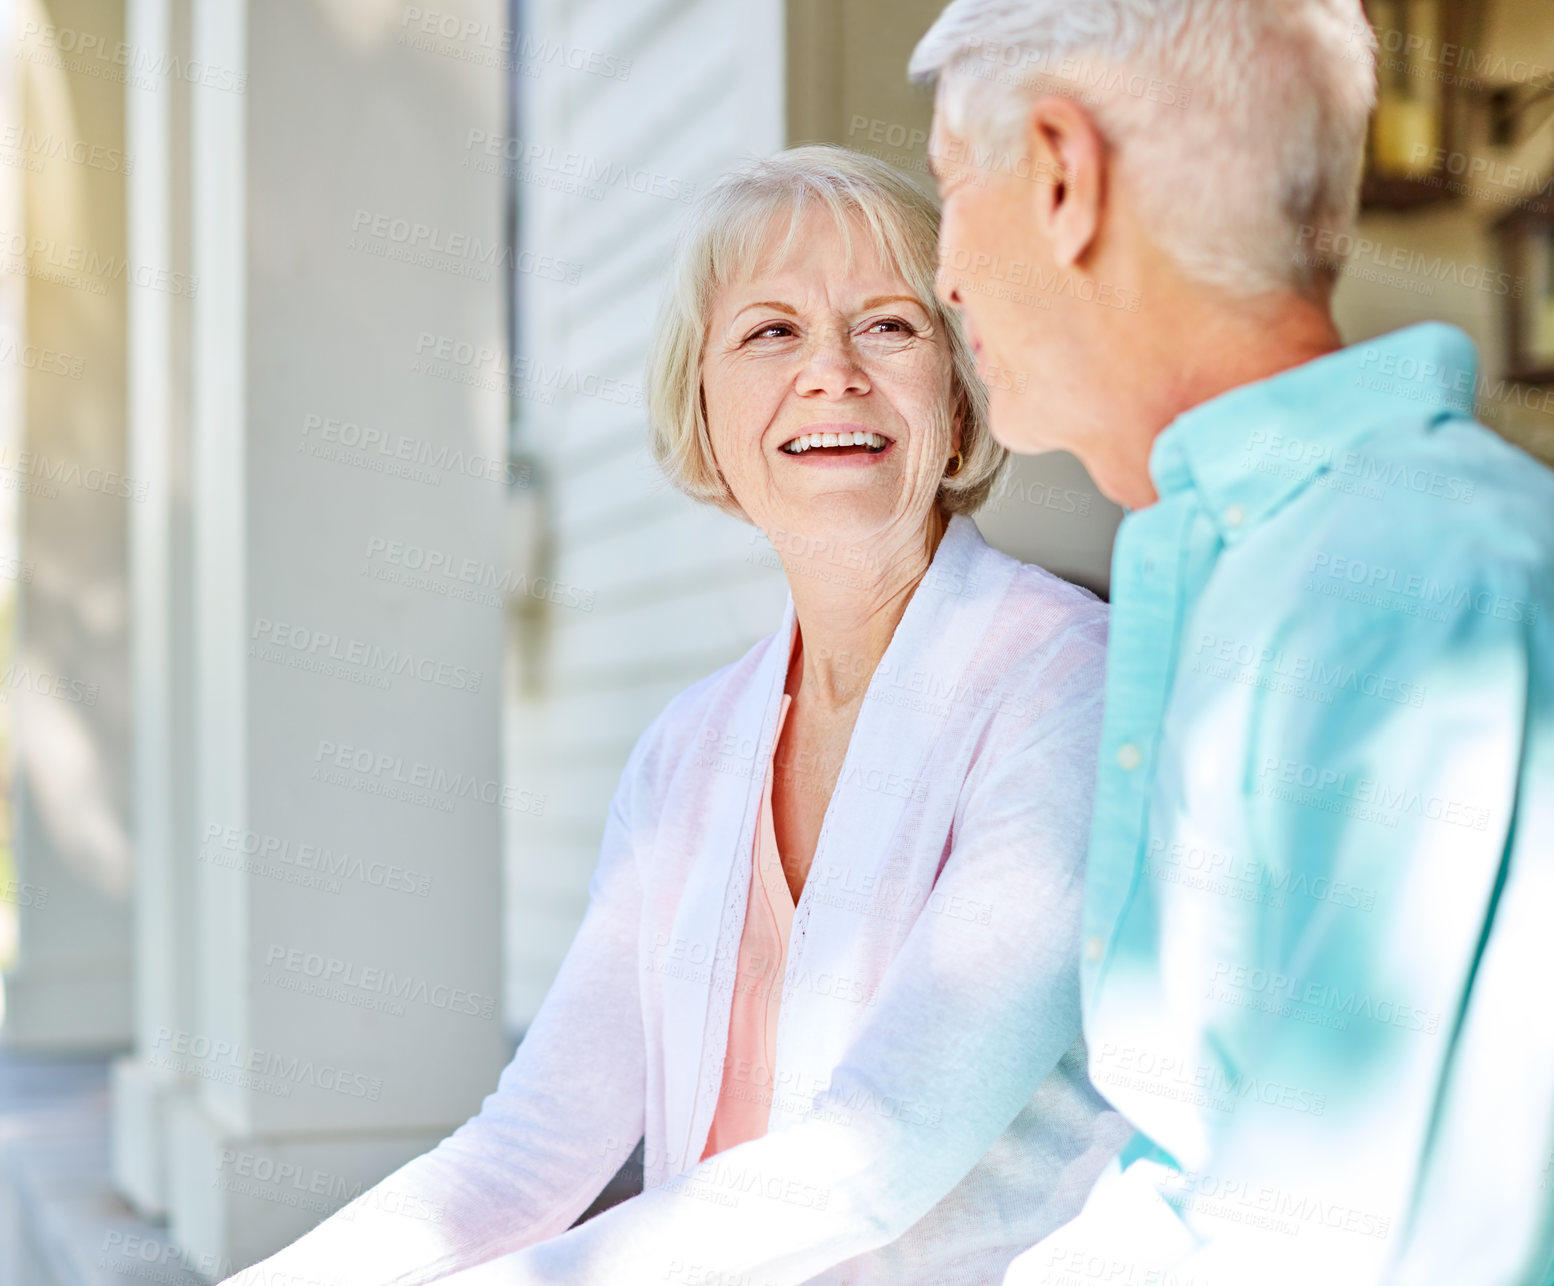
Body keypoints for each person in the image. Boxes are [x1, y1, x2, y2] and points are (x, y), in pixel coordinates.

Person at [227, 145, 1130, 1286]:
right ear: (705, 419)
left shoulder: (1060, 683)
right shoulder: (690, 751)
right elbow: (529, 1151)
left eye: (890, 326)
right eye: (770, 332)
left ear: (958, 405)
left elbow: (879, 1154)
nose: (832, 373)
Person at [909, 3, 1554, 1284]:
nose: (944, 273)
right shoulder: (1229, 563)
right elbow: (1190, 1172)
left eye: (947, 189)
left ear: (1059, 172)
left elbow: (1308, 1240)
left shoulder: (1422, 589)